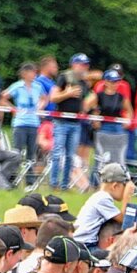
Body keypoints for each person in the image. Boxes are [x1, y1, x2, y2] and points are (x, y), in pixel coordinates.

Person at [49, 54, 93, 190]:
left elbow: (85, 103)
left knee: (70, 156)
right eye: (81, 64)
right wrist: (67, 94)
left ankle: (65, 185)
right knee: (57, 154)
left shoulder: (84, 83)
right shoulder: (64, 77)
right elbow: (53, 97)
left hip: (75, 123)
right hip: (61, 122)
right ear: (73, 64)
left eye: (86, 65)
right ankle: (54, 183)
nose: (83, 67)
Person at [72, 163, 135, 250]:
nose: (126, 190)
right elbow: (124, 221)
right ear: (115, 186)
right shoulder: (102, 198)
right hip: (84, 244)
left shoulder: (100, 197)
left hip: (87, 243)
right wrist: (127, 196)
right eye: (125, 186)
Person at [1, 62, 47, 179]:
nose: (34, 75)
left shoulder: (38, 86)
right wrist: (13, 109)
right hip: (20, 123)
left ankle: (30, 179)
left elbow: (45, 98)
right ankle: (13, 177)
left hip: (33, 123)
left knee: (31, 153)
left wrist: (40, 106)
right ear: (24, 73)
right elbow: (3, 97)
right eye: (32, 72)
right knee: (17, 152)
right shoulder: (17, 86)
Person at [86, 69, 132, 168]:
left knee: (117, 154)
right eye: (112, 81)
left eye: (117, 81)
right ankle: (96, 178)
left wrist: (127, 120)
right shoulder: (98, 96)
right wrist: (95, 117)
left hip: (117, 127)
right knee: (101, 155)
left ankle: (117, 175)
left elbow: (129, 111)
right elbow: (86, 107)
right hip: (103, 127)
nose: (115, 84)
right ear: (106, 82)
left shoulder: (121, 97)